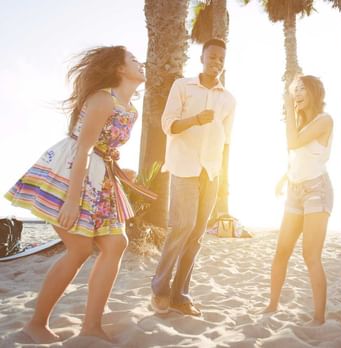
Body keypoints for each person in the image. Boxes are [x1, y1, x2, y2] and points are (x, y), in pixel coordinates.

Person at [5, 45, 147, 343]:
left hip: (102, 178)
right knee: (80, 249)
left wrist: (120, 169)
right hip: (72, 173)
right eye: (134, 59)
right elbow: (83, 148)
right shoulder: (102, 99)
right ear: (120, 69)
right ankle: (35, 324)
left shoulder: (130, 109)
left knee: (116, 244)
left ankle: (92, 326)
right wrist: (71, 200)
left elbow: (103, 147)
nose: (141, 62)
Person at [151, 38, 235, 317]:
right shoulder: (182, 86)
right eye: (212, 57)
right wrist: (195, 120)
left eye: (221, 59)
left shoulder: (229, 99)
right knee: (181, 226)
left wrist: (223, 178)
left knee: (197, 235)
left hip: (211, 172)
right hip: (184, 165)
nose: (217, 62)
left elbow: (226, 141)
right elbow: (168, 125)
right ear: (202, 57)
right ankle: (160, 289)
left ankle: (180, 296)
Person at [263, 75, 333, 325]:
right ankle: (272, 305)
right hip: (295, 189)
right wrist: (284, 178)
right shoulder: (301, 122)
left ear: (314, 92)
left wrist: (287, 107)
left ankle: (319, 317)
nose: (296, 94)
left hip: (317, 190)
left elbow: (293, 142)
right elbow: (299, 156)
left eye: (302, 90)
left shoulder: (324, 120)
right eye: (295, 90)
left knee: (310, 255)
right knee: (281, 251)